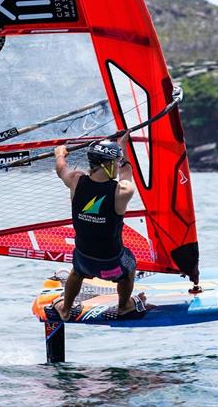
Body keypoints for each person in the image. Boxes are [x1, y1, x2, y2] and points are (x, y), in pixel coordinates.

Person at [50, 132, 146, 321]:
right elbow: (127, 171)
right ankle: (124, 306)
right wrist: (123, 146)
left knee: (76, 272)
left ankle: (65, 308)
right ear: (108, 164)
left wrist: (60, 154)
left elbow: (61, 169)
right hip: (112, 264)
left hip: (83, 259)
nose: (119, 165)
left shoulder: (76, 180)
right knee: (130, 267)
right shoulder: (122, 190)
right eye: (116, 161)